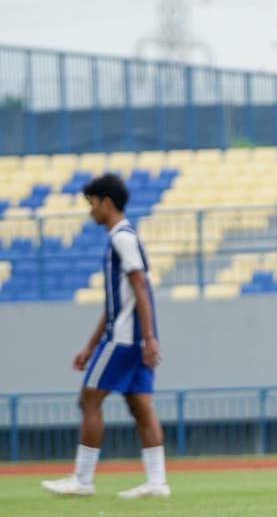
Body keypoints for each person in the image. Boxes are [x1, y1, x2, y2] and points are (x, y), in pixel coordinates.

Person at [42, 173, 170, 499]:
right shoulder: (125, 237)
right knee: (140, 405)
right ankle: (157, 483)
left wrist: (149, 337)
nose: (91, 210)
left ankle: (82, 480)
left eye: (92, 203)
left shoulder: (121, 239)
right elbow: (118, 302)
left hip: (124, 339)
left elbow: (140, 287)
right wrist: (90, 346)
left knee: (89, 399)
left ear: (107, 203)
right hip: (134, 338)